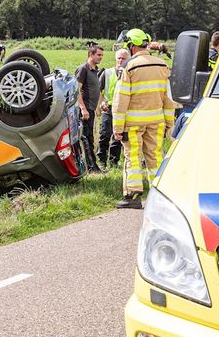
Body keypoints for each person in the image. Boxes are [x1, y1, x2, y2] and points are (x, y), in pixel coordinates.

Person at [112, 28, 176, 209]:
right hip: (156, 121)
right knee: (155, 156)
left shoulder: (130, 67)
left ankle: (132, 196)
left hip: (133, 125)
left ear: (131, 46)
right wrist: (168, 124)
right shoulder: (162, 65)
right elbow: (168, 99)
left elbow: (120, 100)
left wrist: (117, 128)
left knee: (132, 157)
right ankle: (159, 196)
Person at [74, 45, 105, 173]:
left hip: (92, 109)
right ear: (90, 55)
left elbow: (97, 89)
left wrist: (101, 104)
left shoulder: (95, 70)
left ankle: (92, 166)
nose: (101, 58)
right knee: (86, 138)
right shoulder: (83, 69)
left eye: (102, 55)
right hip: (85, 110)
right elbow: (76, 89)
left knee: (90, 138)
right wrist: (83, 108)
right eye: (98, 55)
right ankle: (91, 168)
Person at [97, 48, 129, 167]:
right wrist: (101, 103)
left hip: (122, 110)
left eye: (123, 58)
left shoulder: (129, 73)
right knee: (104, 135)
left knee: (118, 137)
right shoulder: (107, 72)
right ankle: (101, 161)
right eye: (119, 58)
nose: (120, 60)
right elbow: (99, 90)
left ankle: (114, 162)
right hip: (108, 109)